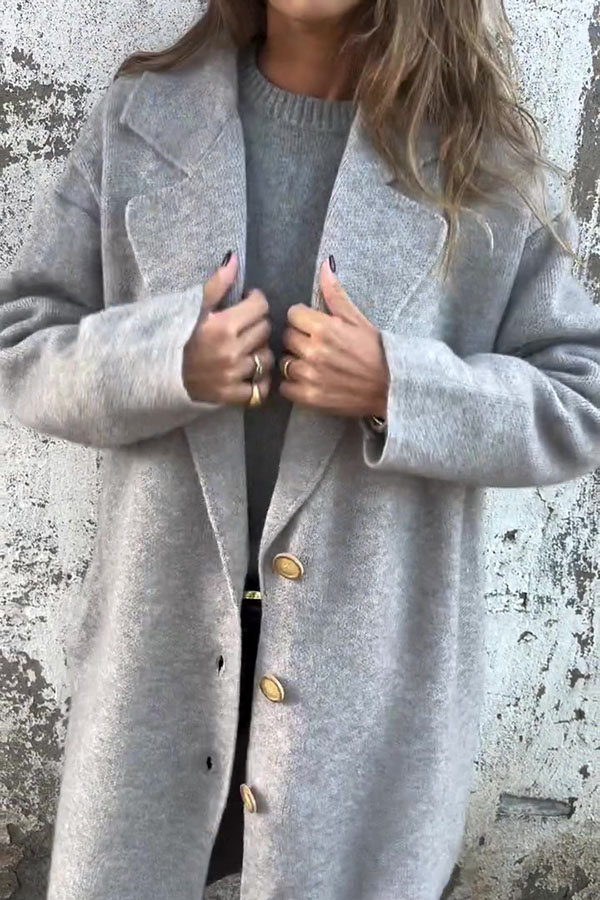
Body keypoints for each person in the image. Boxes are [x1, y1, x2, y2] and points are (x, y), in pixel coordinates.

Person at [1, 1, 599, 899]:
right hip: (159, 664)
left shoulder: (482, 160)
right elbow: (22, 343)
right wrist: (165, 359)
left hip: (365, 688)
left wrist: (399, 385)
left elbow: (579, 400)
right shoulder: (142, 117)